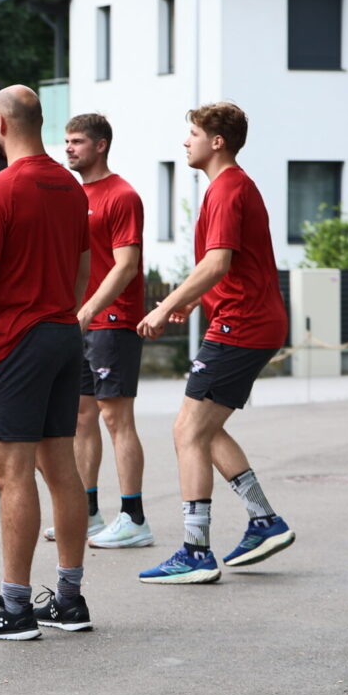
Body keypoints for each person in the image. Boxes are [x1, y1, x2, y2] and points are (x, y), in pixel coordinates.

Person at [0, 85, 93, 640]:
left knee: (11, 472)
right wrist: (59, 313)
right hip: (61, 333)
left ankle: (14, 608)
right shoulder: (71, 187)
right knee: (61, 467)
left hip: (15, 342)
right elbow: (82, 271)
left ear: (0, 124)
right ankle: (70, 601)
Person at [137, 102, 295, 584]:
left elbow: (217, 262)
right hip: (248, 321)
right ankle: (264, 521)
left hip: (241, 325)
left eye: (193, 133)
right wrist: (193, 300)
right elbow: (224, 266)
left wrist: (166, 305)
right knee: (204, 429)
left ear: (217, 141)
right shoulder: (232, 186)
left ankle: (195, 551)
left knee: (187, 431)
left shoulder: (227, 189)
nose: (186, 141)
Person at [54, 113, 152, 550]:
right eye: (66, 140)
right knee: (80, 416)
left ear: (101, 145)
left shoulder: (122, 195)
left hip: (113, 321)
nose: (68, 148)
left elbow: (126, 265)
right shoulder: (74, 195)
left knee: (117, 418)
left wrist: (91, 308)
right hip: (79, 321)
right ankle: (87, 512)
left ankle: (134, 518)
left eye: (77, 141)